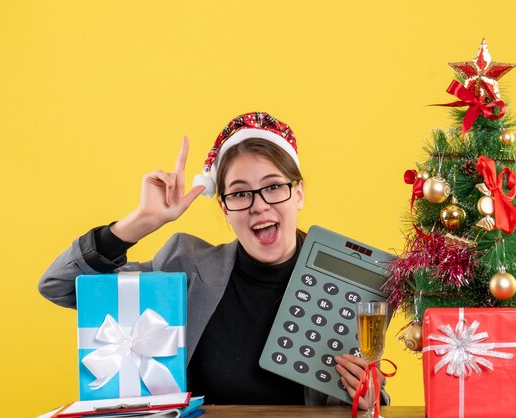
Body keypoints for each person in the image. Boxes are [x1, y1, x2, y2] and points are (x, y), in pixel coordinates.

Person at [39, 112, 388, 407]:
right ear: (223, 206)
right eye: (239, 193)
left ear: (298, 193)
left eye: (273, 186)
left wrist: (368, 398)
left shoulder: (351, 281)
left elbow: (359, 392)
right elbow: (59, 286)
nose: (259, 205)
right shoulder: (186, 265)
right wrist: (143, 220)